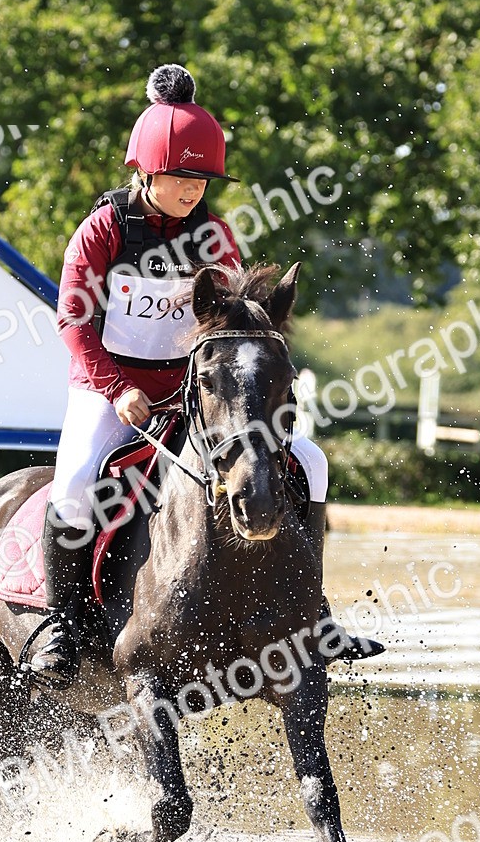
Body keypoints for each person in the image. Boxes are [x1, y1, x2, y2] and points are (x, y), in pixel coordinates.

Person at [29, 64, 381, 687]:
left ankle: (312, 612)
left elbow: (238, 327)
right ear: (146, 170)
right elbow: (74, 321)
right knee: (77, 481)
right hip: (111, 390)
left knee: (313, 463)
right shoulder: (104, 231)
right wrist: (116, 388)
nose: (192, 189)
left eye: (202, 179)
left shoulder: (215, 236)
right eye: (179, 176)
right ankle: (62, 622)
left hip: (200, 394)